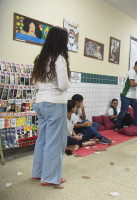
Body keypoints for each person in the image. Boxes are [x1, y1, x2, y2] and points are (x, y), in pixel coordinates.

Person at [31, 27, 70, 186]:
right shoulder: (59, 58)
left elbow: (35, 82)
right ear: (62, 41)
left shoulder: (41, 59)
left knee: (43, 139)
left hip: (40, 103)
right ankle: (50, 177)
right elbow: (63, 85)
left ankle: (38, 173)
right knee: (56, 141)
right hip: (55, 103)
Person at [113, 60, 137, 132]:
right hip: (126, 96)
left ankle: (135, 126)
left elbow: (135, 82)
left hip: (132, 96)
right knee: (123, 112)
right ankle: (117, 126)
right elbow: (132, 84)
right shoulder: (132, 72)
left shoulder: (135, 73)